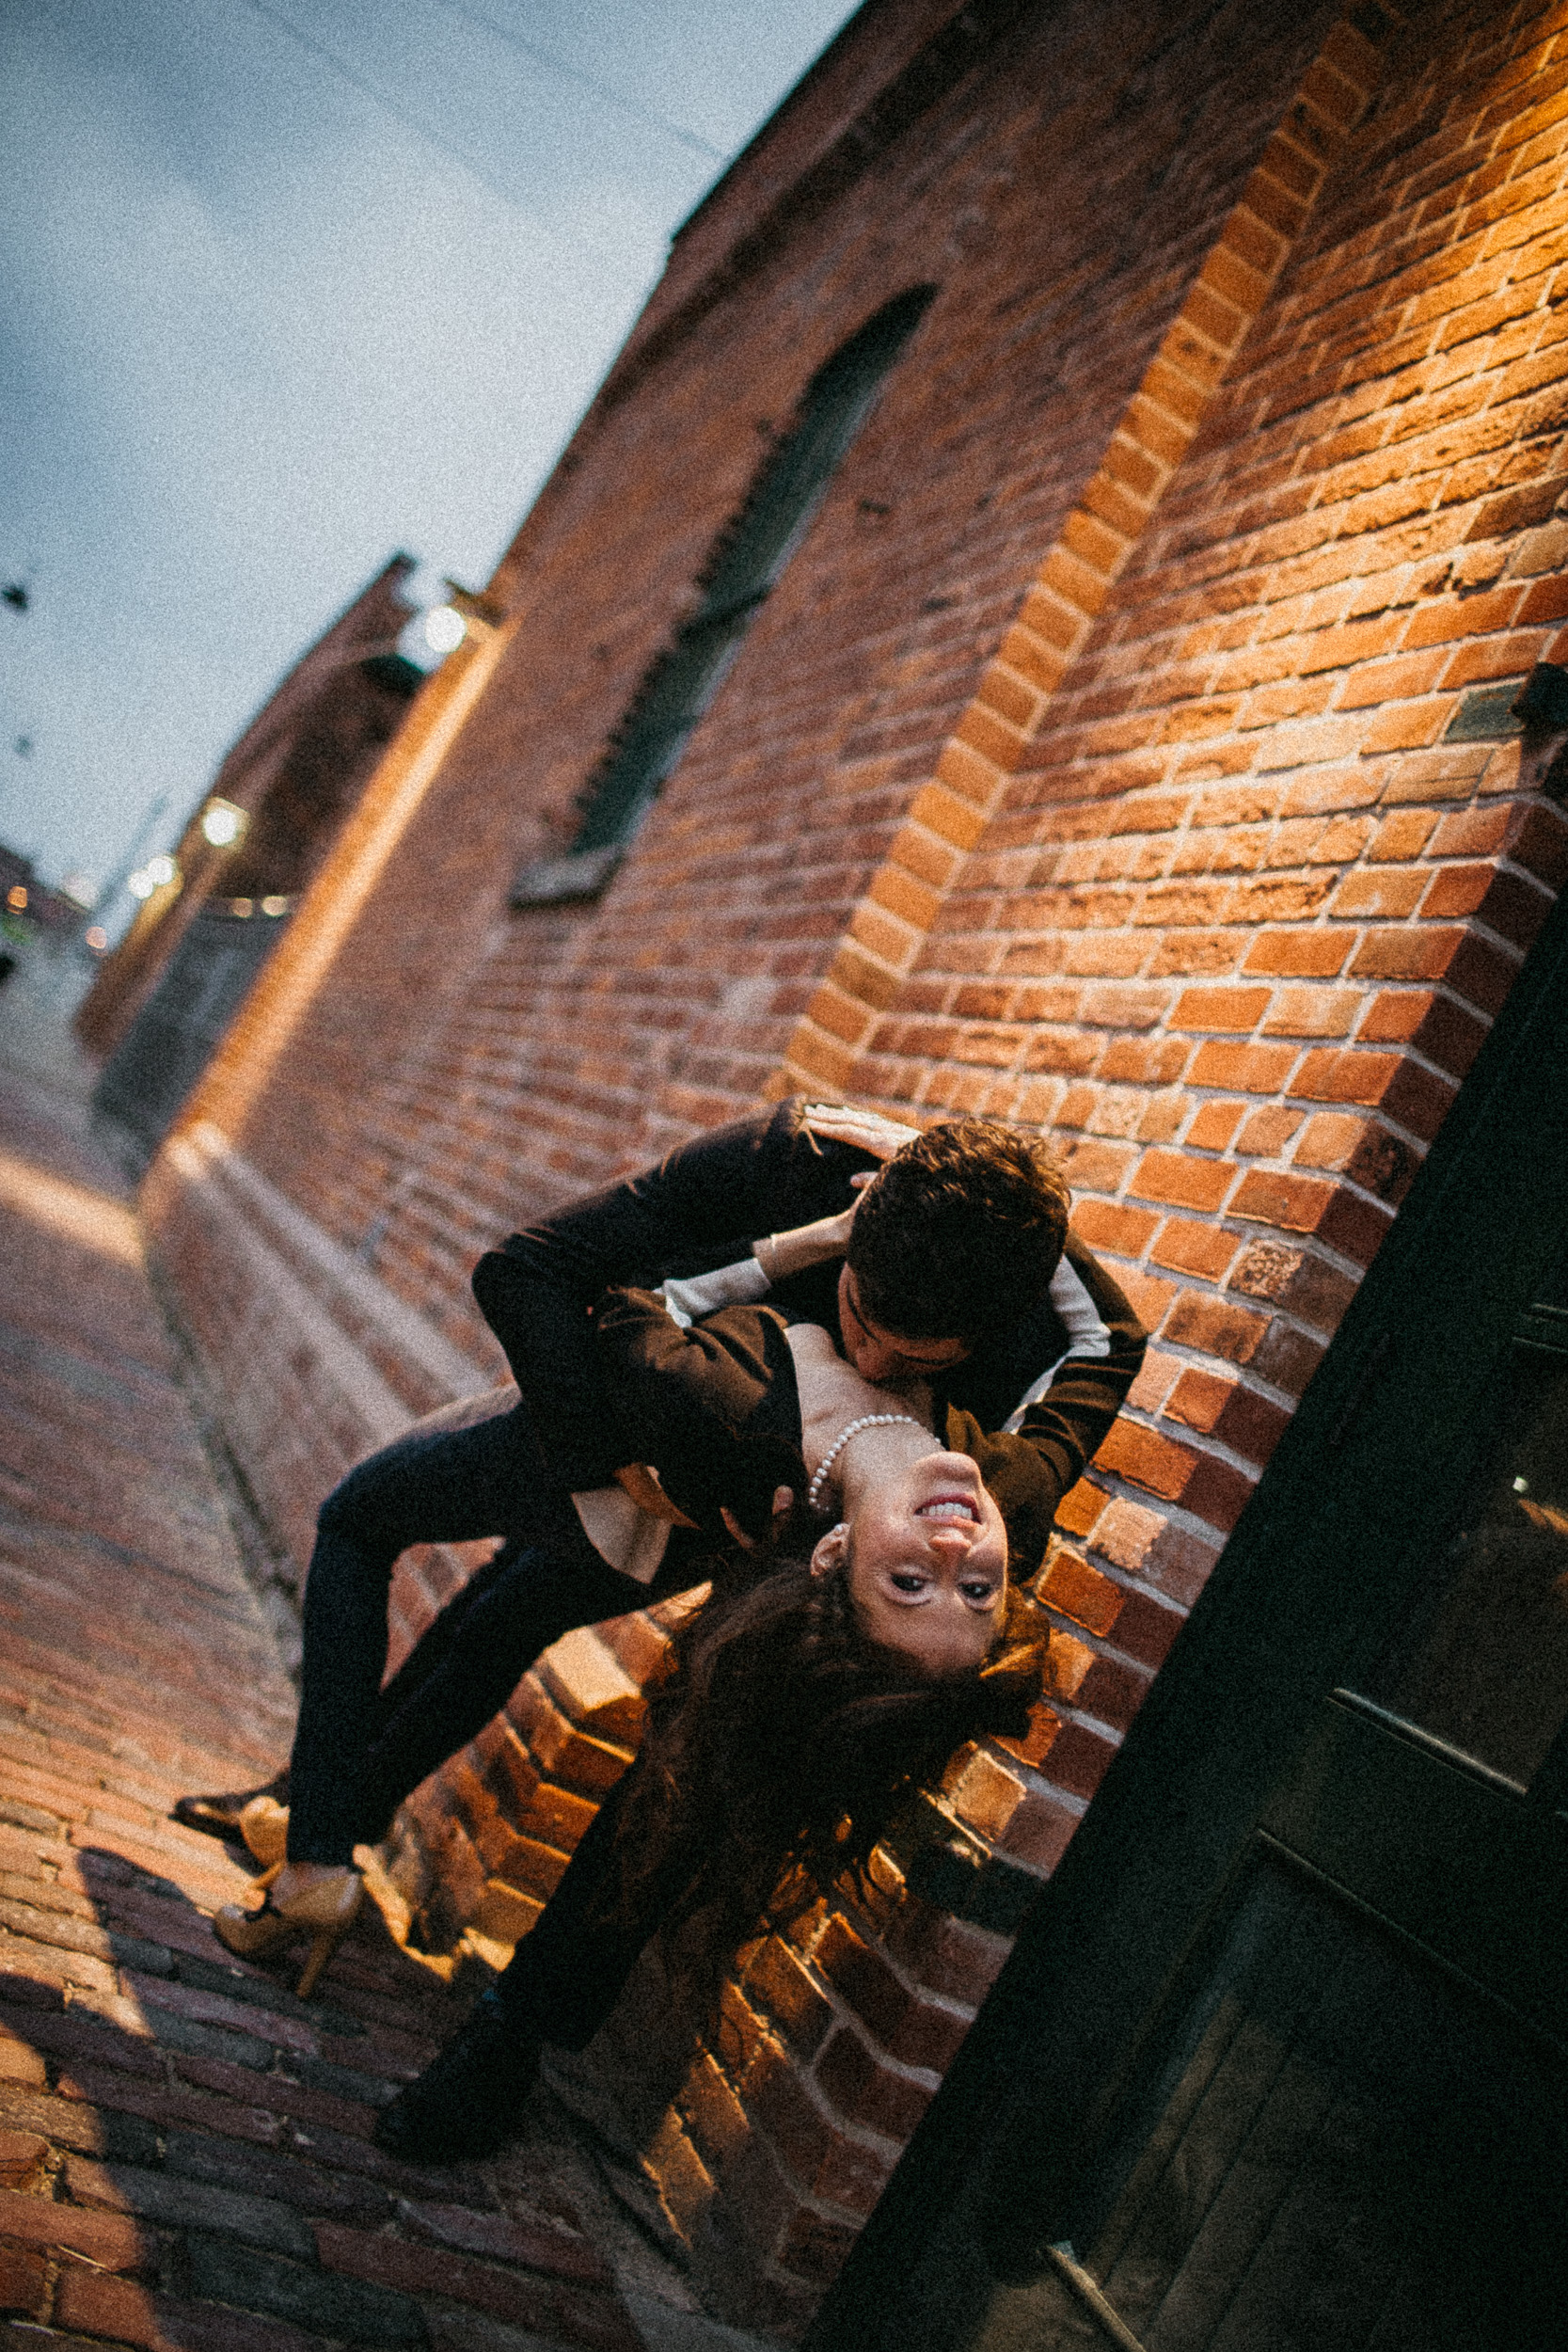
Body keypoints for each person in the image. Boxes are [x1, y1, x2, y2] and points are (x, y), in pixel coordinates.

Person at [193, 1104, 1143, 1988]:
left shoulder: (1022, 1370)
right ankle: (325, 1814)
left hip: (711, 1490)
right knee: (501, 1606)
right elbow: (529, 1272)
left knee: (394, 1540)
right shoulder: (791, 1160)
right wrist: (610, 1461)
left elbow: (1072, 1397)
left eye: (920, 1360)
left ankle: (313, 1851)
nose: (875, 1364)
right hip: (610, 1427)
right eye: (861, 1319)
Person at [377, 1311, 1059, 2164]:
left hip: (855, 1575)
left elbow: (1103, 1339)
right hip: (744, 1474)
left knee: (683, 1793)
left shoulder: (1003, 1424)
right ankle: (331, 1806)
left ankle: (512, 2029)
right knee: (512, 1598)